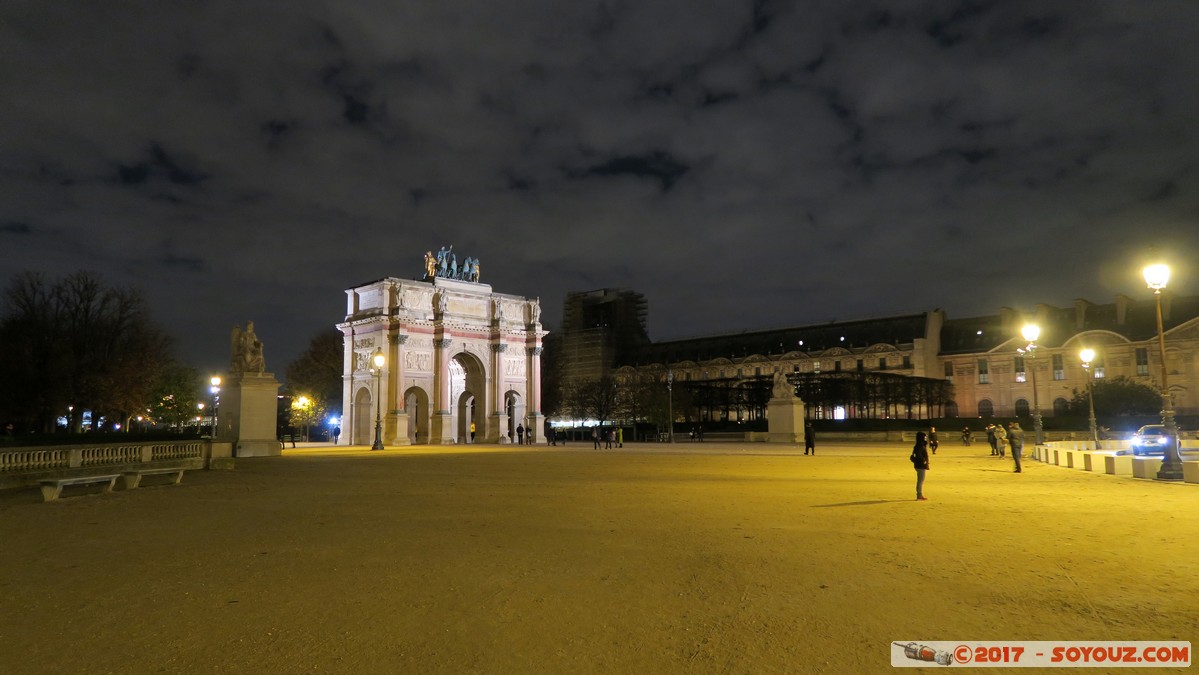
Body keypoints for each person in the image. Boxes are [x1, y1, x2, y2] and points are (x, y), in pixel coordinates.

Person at [911, 431, 930, 501]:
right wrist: (924, 461)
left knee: (920, 480)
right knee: (920, 481)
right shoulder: (920, 445)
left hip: (918, 465)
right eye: (925, 436)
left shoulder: (919, 444)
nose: (926, 438)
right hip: (920, 465)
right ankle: (919, 495)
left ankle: (919, 494)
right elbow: (919, 455)